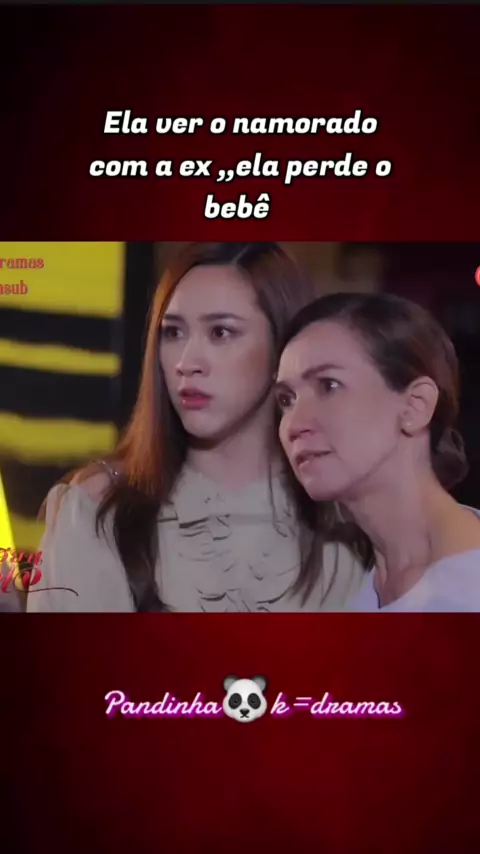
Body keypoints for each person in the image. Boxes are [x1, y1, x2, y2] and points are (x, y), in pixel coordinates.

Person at [27, 244, 366, 613]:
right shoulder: (98, 513)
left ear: (284, 348)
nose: (187, 362)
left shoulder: (353, 522)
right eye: (173, 333)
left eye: (220, 332)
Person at [276, 291, 480, 612]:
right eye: (286, 400)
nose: (294, 424)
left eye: (329, 385)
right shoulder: (369, 585)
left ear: (415, 406)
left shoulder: (467, 589)